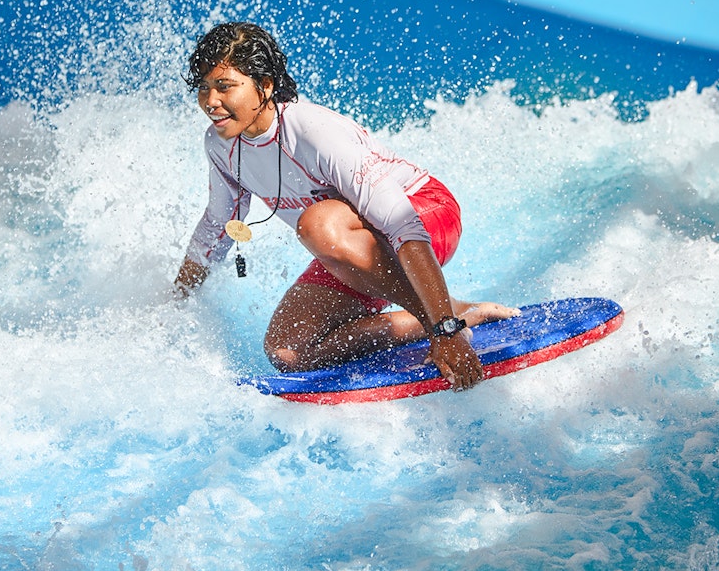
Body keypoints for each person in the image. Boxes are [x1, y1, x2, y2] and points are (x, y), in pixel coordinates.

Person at [173, 22, 518, 390]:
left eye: (225, 86)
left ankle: (444, 321)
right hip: (352, 244)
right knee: (289, 351)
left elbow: (403, 226)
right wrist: (176, 300)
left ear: (266, 85)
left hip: (426, 214)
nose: (210, 101)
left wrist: (445, 334)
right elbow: (217, 225)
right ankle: (461, 312)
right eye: (204, 88)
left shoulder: (312, 132)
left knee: (318, 226)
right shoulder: (221, 145)